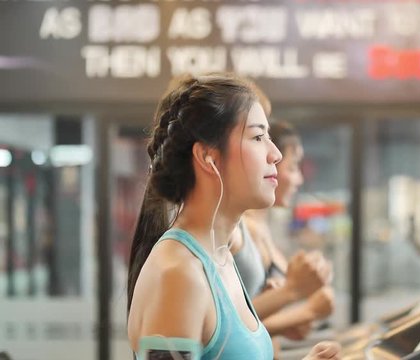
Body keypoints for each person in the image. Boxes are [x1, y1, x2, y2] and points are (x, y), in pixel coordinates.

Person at [126, 73, 340, 360]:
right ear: (208, 158)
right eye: (258, 137)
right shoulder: (178, 274)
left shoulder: (220, 257)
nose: (275, 153)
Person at [231, 121, 335, 342]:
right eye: (293, 167)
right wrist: (306, 310)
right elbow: (229, 325)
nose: (299, 179)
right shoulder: (241, 230)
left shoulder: (260, 228)